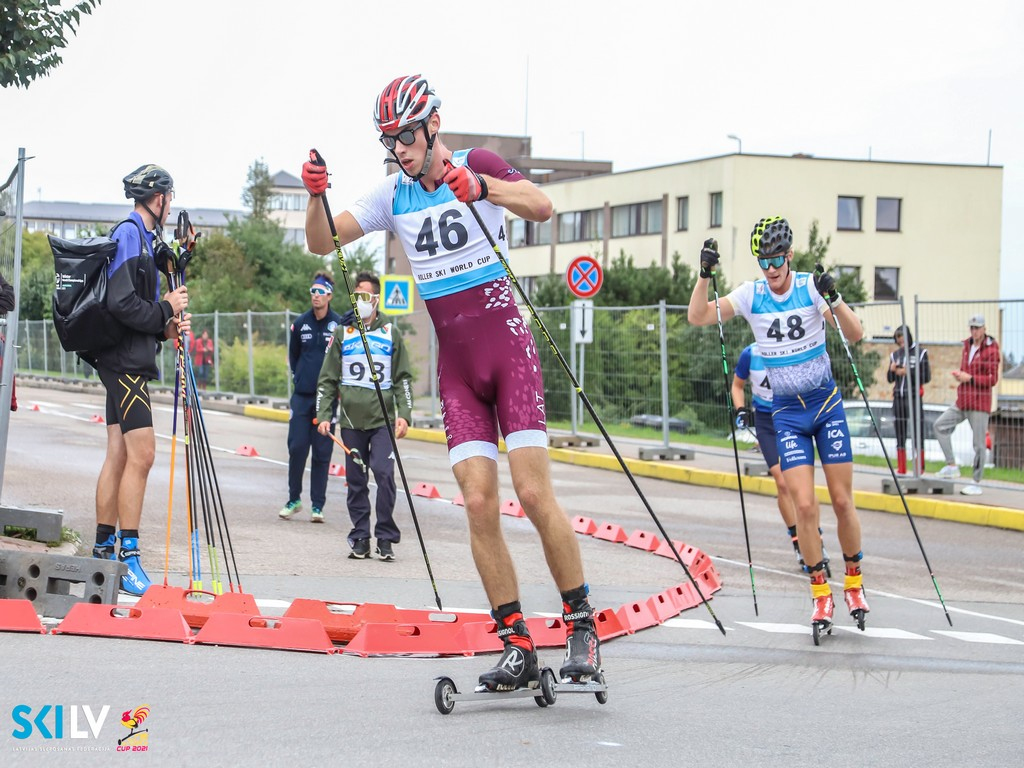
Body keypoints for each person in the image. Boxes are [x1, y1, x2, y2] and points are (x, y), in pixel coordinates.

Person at [302, 74, 602, 689]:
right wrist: (316, 196)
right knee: (478, 502)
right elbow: (320, 242)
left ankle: (581, 624)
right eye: (390, 141)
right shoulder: (392, 194)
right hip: (458, 369)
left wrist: (483, 187)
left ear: (432, 125)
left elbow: (542, 206)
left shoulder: (476, 162)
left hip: (509, 352)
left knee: (533, 493)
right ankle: (517, 643)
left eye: (407, 137)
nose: (400, 150)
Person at [688, 217, 869, 633]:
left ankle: (854, 583)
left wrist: (835, 297)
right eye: (763, 261)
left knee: (842, 501)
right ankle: (820, 593)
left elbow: (856, 333)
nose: (770, 269)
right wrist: (704, 275)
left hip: (825, 405)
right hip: (786, 413)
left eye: (776, 260)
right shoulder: (751, 295)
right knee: (803, 505)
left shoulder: (808, 287)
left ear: (789, 256)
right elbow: (698, 317)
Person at [92, 164, 191, 596]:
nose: (170, 206)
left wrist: (166, 327)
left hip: (123, 357)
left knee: (119, 454)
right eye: (170, 199)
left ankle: (102, 552)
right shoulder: (131, 233)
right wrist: (167, 307)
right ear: (160, 198)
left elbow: (138, 312)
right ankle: (128, 558)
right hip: (126, 363)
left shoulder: (142, 238)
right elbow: (121, 302)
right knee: (143, 455)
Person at [315, 272, 413, 561]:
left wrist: (405, 414)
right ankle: (360, 536)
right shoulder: (342, 333)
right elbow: (327, 379)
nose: (360, 301)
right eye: (356, 295)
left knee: (384, 473)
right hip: (351, 421)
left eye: (365, 296)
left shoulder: (391, 333)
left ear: (376, 300)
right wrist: (323, 414)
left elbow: (403, 378)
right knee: (356, 480)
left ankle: (385, 536)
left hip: (382, 420)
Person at [732, 341, 808, 567]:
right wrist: (741, 410)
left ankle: (813, 533)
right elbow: (737, 385)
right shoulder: (750, 353)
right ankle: (797, 540)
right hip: (766, 420)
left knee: (799, 482)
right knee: (782, 482)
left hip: (791, 416)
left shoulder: (792, 348)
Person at [280, 271, 341, 523]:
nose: (315, 296)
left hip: (326, 400)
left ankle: (318, 505)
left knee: (322, 452)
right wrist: (298, 377)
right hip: (302, 397)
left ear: (329, 295)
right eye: (312, 291)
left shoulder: (338, 325)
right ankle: (293, 499)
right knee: (297, 447)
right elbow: (293, 355)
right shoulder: (300, 323)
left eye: (320, 292)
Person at [933, 314, 999, 496]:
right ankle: (952, 466)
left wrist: (970, 378)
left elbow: (992, 379)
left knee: (979, 444)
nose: (974, 331)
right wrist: (960, 376)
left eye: (977, 328)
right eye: (972, 328)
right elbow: (966, 372)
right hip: (963, 400)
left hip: (979, 403)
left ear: (984, 329)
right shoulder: (967, 346)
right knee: (939, 425)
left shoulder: (991, 350)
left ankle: (976, 482)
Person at [887, 325, 931, 475]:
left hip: (914, 398)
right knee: (900, 433)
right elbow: (889, 379)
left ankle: (919, 468)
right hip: (898, 398)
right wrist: (892, 370)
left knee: (918, 432)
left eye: (903, 340)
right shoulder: (895, 355)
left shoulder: (921, 353)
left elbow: (926, 377)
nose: (901, 343)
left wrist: (908, 372)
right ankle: (902, 468)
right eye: (898, 341)